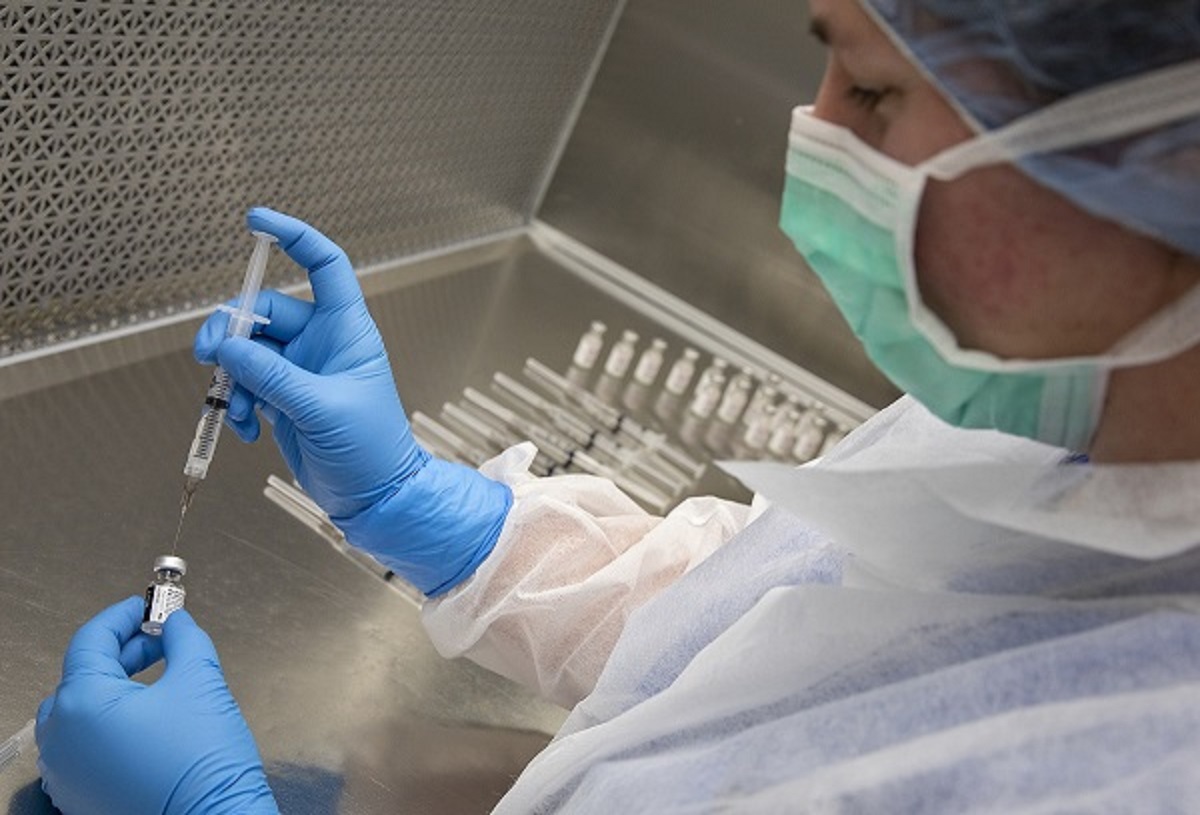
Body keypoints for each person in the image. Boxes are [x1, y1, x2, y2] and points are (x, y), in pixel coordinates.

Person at [34, 0, 1200, 811]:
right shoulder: (1068, 387)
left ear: (1159, 164)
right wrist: (455, 522)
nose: (818, 137)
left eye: (879, 91)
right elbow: (782, 619)